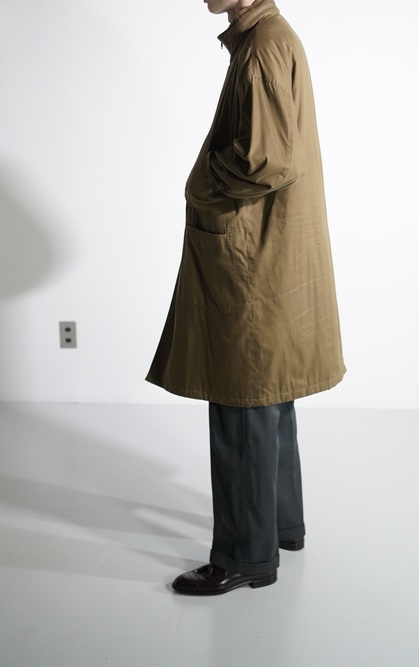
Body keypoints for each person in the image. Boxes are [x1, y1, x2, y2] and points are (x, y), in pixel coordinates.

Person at [146, 0, 346, 595]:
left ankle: (244, 556)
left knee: (242, 398)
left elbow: (267, 160)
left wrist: (200, 183)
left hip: (254, 253)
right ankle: (281, 527)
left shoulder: (261, 47)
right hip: (269, 246)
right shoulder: (270, 37)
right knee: (269, 395)